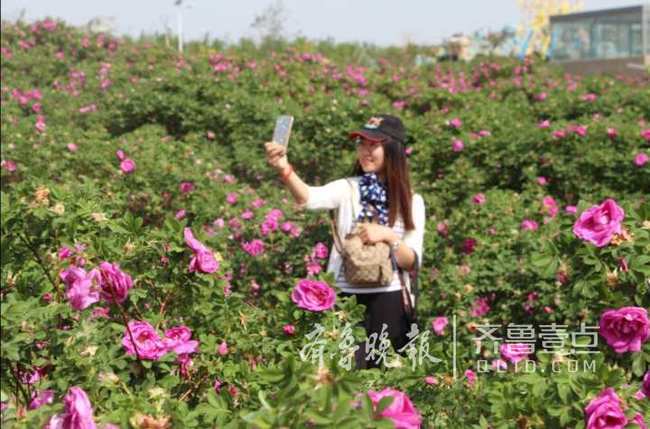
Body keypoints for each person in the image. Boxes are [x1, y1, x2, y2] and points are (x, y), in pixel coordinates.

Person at [264, 114, 426, 370]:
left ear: (393, 148)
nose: (365, 151)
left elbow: (412, 261)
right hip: (345, 299)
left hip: (390, 301)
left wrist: (388, 237)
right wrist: (284, 168)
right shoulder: (348, 188)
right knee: (341, 376)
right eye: (361, 143)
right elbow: (309, 198)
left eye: (373, 144)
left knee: (387, 380)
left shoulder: (412, 200)